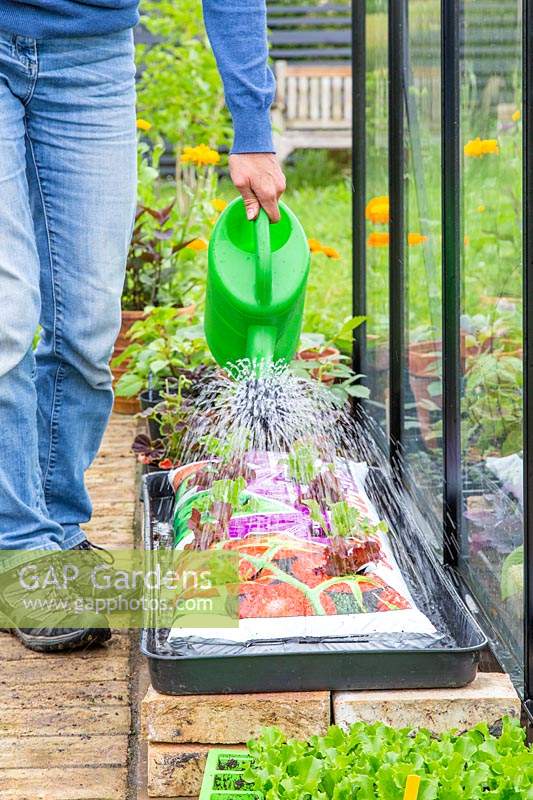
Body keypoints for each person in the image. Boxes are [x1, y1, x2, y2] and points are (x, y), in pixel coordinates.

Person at [0, 0, 286, 652]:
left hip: (92, 59)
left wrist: (251, 128)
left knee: (88, 326)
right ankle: (20, 554)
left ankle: (59, 533)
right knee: (7, 316)